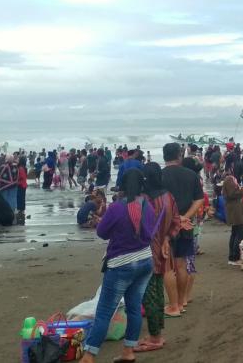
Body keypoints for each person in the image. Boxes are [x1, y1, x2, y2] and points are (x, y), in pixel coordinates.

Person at [80, 170, 157, 363]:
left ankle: (89, 356)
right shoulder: (148, 206)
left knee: (105, 311)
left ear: (121, 185)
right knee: (133, 308)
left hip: (121, 263)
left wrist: (103, 223)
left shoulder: (116, 208)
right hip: (145, 260)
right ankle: (128, 351)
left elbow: (102, 233)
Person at [137, 161, 179, 354]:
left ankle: (155, 337)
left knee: (149, 296)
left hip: (145, 253)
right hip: (163, 251)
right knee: (157, 293)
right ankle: (157, 333)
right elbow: (176, 222)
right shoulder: (168, 197)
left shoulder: (142, 199)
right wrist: (167, 239)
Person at [160, 142, 203, 318]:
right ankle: (181, 302)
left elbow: (156, 202)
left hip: (165, 226)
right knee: (182, 264)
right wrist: (185, 216)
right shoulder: (191, 175)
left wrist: (176, 219)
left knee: (168, 267)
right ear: (180, 155)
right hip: (186, 225)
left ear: (164, 156)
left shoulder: (159, 176)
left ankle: (173, 305)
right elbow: (199, 199)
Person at [223, 174, 243, 265]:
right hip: (234, 210)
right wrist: (242, 190)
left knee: (235, 233)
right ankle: (234, 257)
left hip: (234, 209)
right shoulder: (229, 179)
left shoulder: (230, 179)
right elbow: (232, 194)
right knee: (240, 233)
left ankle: (232, 256)